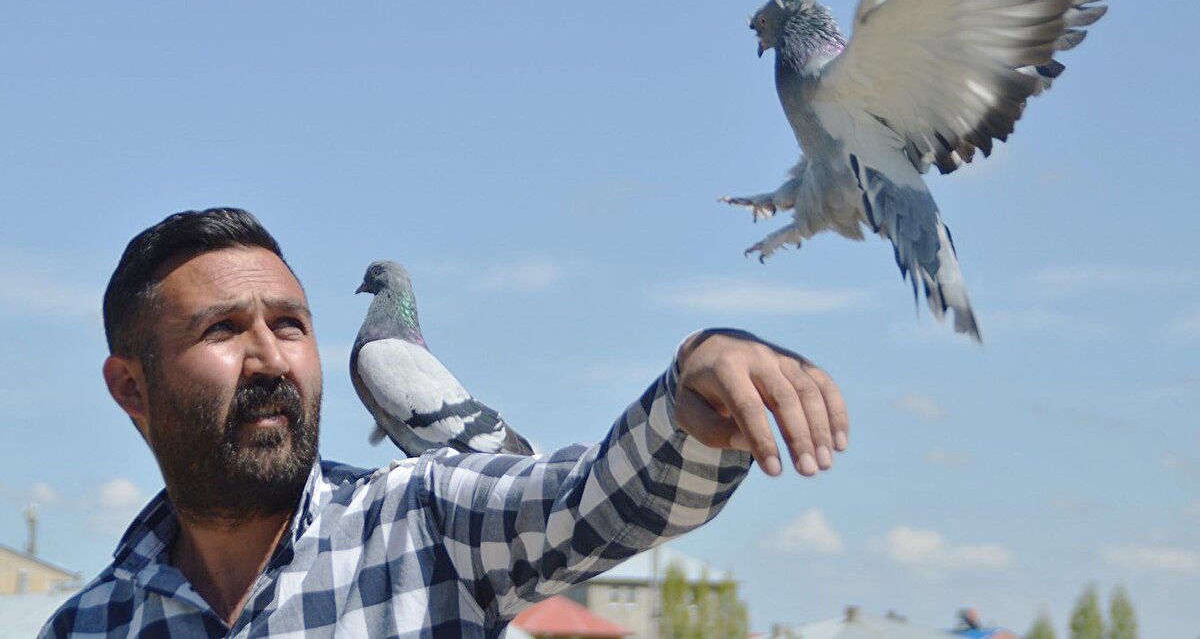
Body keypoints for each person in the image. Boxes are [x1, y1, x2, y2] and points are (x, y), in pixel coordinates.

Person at [41, 207, 849, 638]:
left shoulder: (423, 523)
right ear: (131, 389)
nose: (272, 358)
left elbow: (591, 501)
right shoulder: (89, 625)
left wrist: (691, 390)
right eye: (223, 330)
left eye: (290, 325)